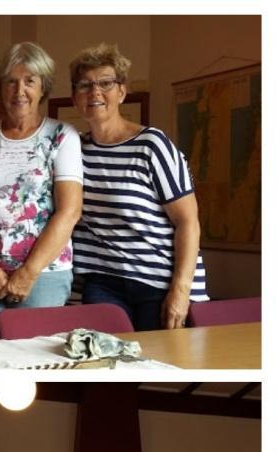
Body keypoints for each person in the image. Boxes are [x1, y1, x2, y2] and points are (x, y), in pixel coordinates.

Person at [69, 43, 208, 330]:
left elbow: (188, 222)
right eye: (85, 85)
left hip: (158, 281)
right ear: (74, 97)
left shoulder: (152, 145)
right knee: (106, 369)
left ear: (122, 91)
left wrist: (180, 291)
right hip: (101, 281)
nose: (95, 92)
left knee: (157, 368)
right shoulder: (72, 149)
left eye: (105, 83)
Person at [0, 42, 83, 341]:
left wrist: (29, 272)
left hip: (44, 274)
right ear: (0, 88)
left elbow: (70, 210)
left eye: (29, 81)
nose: (19, 90)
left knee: (35, 356)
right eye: (10, 81)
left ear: (43, 88)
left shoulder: (62, 136)